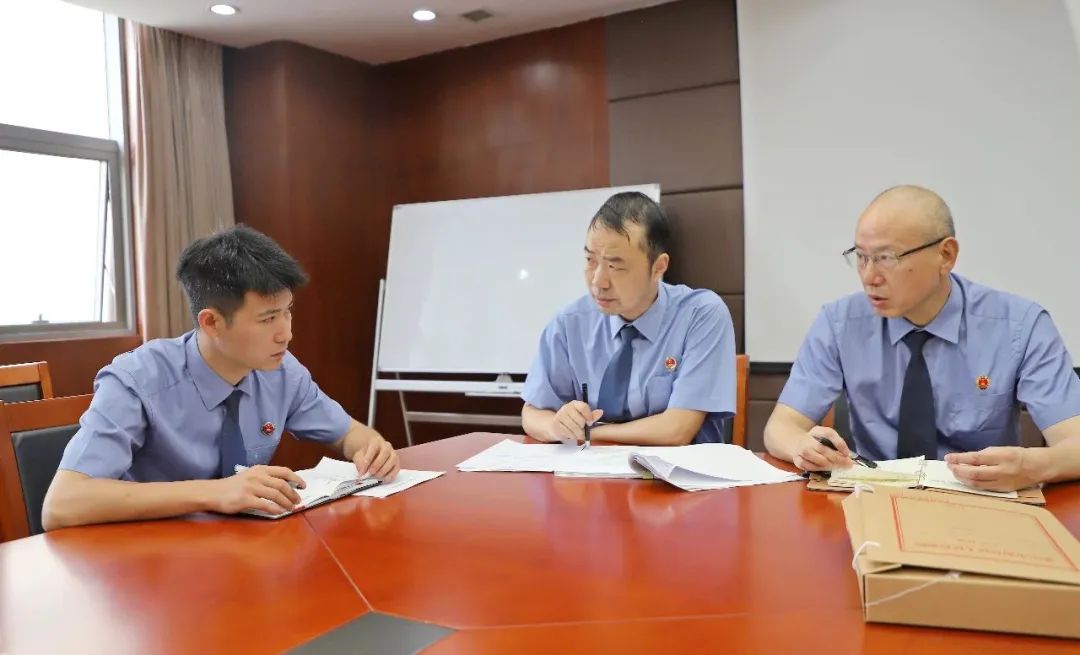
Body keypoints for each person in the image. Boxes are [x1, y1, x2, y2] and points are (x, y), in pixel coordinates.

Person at [43, 225, 399, 530]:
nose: (286, 334)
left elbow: (349, 434)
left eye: (287, 312)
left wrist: (371, 449)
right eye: (268, 319)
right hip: (146, 558)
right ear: (212, 322)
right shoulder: (137, 379)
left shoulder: (281, 371)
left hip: (238, 552)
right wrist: (215, 492)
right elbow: (61, 504)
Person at [764, 185, 1080, 492]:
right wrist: (801, 445)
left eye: (887, 257)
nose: (869, 276)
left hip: (981, 500)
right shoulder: (839, 323)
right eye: (861, 256)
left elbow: (1075, 444)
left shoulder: (1020, 327)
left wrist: (1031, 466)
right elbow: (780, 428)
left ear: (946, 255)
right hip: (874, 497)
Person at [521, 191, 736, 446]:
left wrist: (588, 433)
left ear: (658, 267)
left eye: (615, 266)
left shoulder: (700, 315)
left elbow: (676, 429)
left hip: (676, 470)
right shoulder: (570, 322)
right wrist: (557, 427)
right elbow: (533, 412)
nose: (598, 282)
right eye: (590, 260)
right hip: (589, 469)